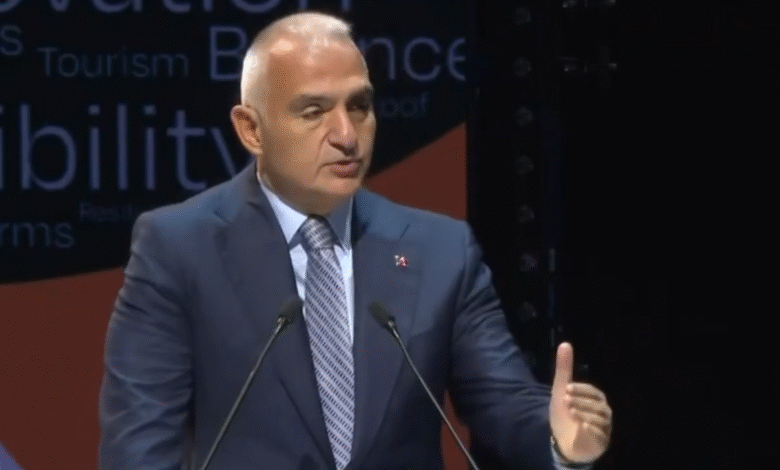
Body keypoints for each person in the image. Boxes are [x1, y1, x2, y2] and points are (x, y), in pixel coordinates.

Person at [99, 12, 612, 470]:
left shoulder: (441, 250)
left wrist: (560, 442)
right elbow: (140, 443)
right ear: (251, 129)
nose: (346, 134)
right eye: (314, 111)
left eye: (360, 106)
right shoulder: (179, 247)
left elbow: (503, 402)